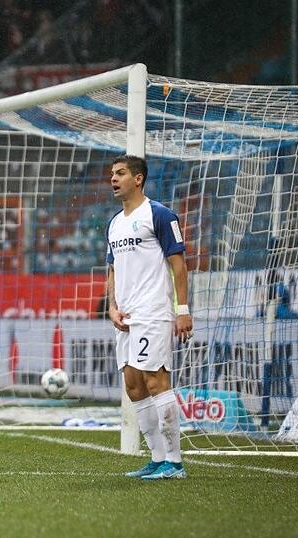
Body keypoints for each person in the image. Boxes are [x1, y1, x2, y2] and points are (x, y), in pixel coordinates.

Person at [105, 155, 193, 480]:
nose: (114, 179)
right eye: (112, 174)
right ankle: (157, 459)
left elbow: (179, 265)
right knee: (133, 386)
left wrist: (181, 310)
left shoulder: (159, 215)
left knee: (156, 381)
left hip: (154, 312)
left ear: (138, 178)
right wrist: (112, 307)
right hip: (125, 317)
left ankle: (175, 462)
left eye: (121, 173)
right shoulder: (114, 223)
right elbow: (112, 270)